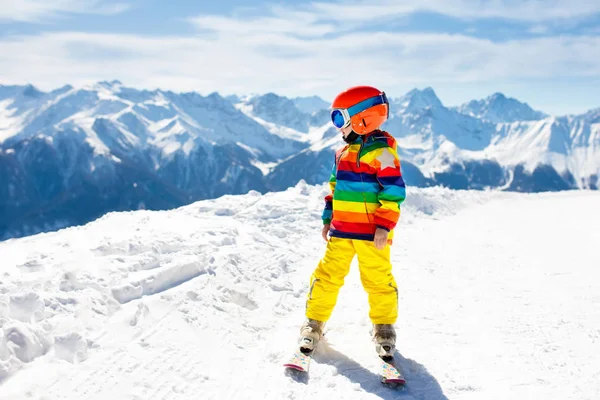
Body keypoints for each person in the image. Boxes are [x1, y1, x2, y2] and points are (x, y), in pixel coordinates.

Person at [298, 85, 406, 360]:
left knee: (378, 281)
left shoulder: (382, 154)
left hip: (372, 236)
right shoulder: (341, 154)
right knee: (326, 278)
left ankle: (384, 328)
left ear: (362, 119)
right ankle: (314, 323)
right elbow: (333, 190)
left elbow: (393, 193)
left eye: (339, 119)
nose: (337, 128)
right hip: (341, 232)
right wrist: (328, 219)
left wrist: (384, 226)